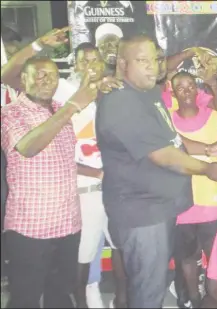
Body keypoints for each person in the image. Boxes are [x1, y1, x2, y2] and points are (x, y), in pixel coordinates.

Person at [95, 34, 217, 308]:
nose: (152, 66)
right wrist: (208, 169)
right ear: (122, 64)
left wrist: (206, 148)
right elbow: (164, 155)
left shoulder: (145, 93)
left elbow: (171, 140)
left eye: (155, 59)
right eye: (142, 60)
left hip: (158, 209)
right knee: (149, 290)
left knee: (152, 284)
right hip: (142, 215)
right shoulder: (122, 101)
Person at [0, 54, 99, 308]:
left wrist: (95, 172)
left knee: (60, 295)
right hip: (30, 228)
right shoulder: (11, 113)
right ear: (24, 79)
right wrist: (72, 106)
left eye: (53, 76)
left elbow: (60, 160)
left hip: (68, 224)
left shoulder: (58, 108)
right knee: (26, 299)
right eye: (40, 75)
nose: (47, 81)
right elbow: (29, 148)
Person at [52, 42, 127, 309]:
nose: (91, 66)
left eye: (95, 60)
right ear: (75, 64)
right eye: (84, 61)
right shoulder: (62, 92)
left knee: (120, 243)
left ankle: (122, 297)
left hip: (116, 186)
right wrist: (96, 172)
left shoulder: (112, 91)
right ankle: (82, 301)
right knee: (84, 251)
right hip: (85, 187)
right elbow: (55, 153)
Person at [170, 71, 217, 308]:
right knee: (187, 258)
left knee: (215, 256)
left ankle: (215, 298)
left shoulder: (215, 116)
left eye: (190, 85)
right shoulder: (166, 120)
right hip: (180, 200)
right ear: (173, 92)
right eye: (180, 87)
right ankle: (193, 299)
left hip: (211, 199)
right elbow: (174, 150)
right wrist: (208, 150)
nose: (186, 91)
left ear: (197, 89)